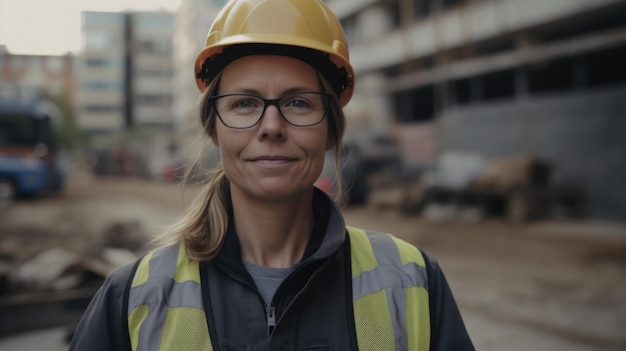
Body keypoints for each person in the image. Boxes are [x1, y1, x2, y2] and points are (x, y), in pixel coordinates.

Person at [69, 0, 475, 350]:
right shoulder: (133, 298)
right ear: (214, 128)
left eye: (298, 102)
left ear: (331, 128)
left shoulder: (413, 282)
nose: (272, 126)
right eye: (245, 104)